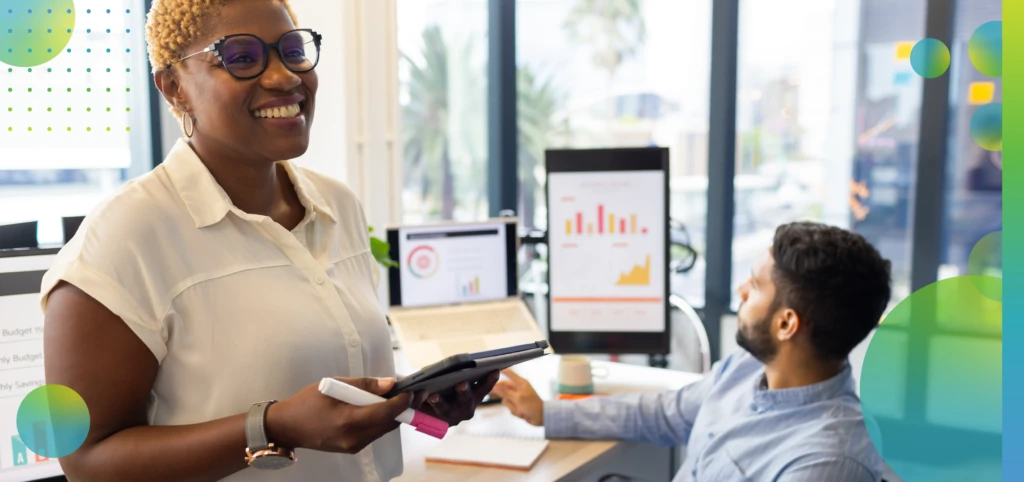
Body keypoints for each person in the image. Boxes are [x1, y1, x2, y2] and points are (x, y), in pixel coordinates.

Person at [41, 1, 498, 481]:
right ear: (174, 86)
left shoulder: (337, 205)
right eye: (241, 57)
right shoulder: (124, 237)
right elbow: (85, 462)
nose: (285, 76)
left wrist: (411, 403)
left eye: (293, 51)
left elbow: (334, 392)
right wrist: (270, 427)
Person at [493, 222, 891, 481]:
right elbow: (664, 413)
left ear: (786, 323)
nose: (740, 291)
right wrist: (548, 413)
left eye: (755, 286)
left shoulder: (826, 463)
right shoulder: (747, 368)